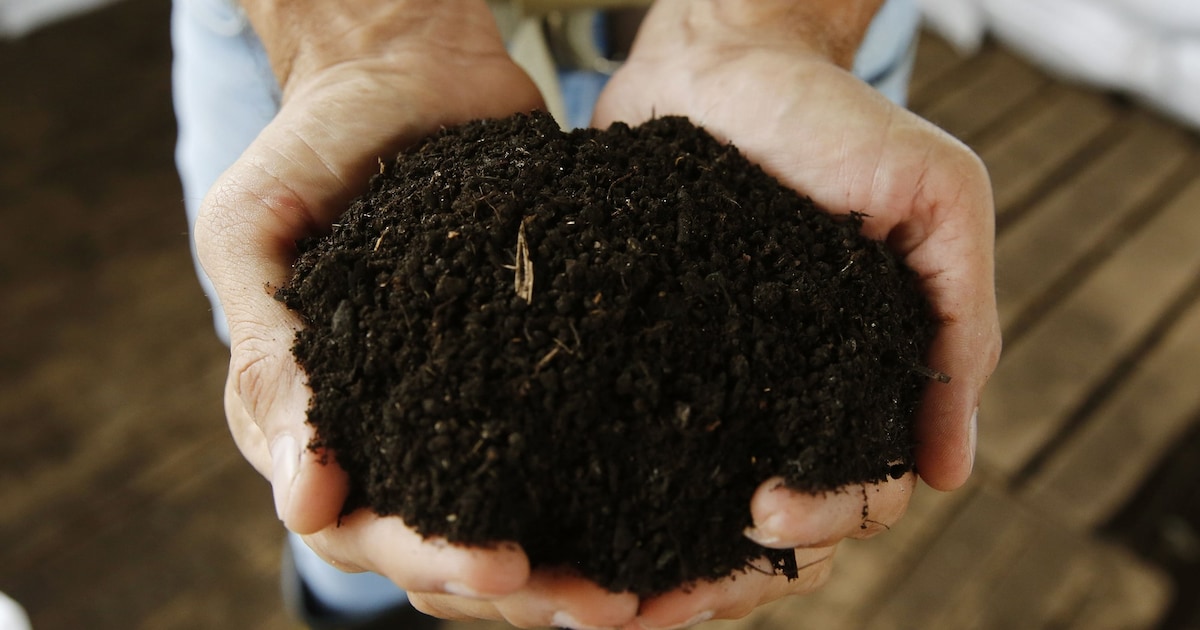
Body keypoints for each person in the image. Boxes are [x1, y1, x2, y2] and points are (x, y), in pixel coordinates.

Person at [171, 0, 1001, 628]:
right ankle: (345, 607)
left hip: (786, 49)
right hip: (326, 34)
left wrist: (764, 24)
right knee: (317, 456)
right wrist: (375, 32)